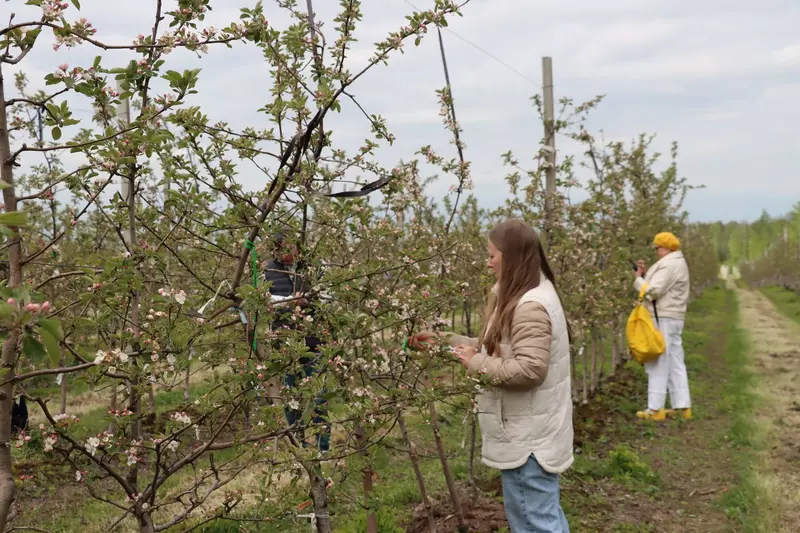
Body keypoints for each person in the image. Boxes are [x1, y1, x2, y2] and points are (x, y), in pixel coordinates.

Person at [409, 220, 572, 533]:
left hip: (528, 438)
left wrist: (476, 362)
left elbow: (529, 369)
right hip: (530, 428)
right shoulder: (526, 293)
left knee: (535, 521)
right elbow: (502, 349)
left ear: (510, 258)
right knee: (541, 515)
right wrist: (449, 342)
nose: (488, 262)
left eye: (492, 255)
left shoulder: (529, 306)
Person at [264, 229, 331, 452]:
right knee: (291, 397)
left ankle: (323, 447)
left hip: (314, 341)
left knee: (319, 396)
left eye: (289, 247)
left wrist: (309, 299)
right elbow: (264, 301)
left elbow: (327, 296)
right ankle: (298, 445)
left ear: (298, 247)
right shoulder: (267, 270)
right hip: (285, 346)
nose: (285, 253)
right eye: (279, 249)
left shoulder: (314, 267)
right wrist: (293, 301)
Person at [633, 231, 692, 421]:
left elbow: (654, 291)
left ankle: (655, 409)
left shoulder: (670, 264)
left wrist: (638, 280)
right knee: (675, 360)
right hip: (673, 316)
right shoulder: (676, 262)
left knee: (659, 361)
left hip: (664, 316)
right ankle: (682, 406)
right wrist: (643, 274)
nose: (656, 251)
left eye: (658, 248)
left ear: (666, 247)